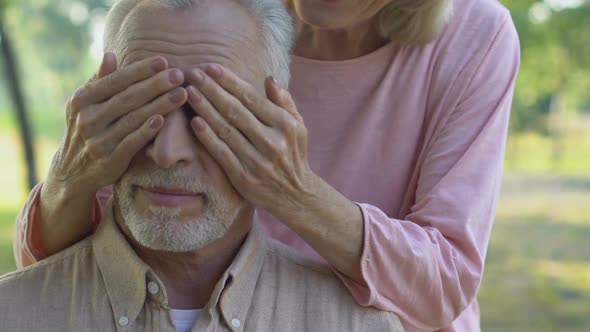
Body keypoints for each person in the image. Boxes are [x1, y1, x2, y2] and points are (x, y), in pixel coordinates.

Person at [13, 0, 521, 330]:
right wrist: (69, 178)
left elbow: (444, 286)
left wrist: (295, 194)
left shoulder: (474, 38)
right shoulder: (219, 19)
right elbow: (56, 268)